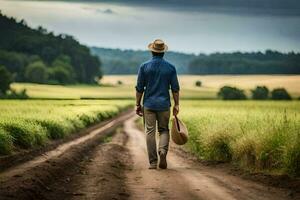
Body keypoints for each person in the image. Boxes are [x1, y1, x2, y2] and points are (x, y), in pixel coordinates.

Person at [135, 39, 180, 169]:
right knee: (164, 130)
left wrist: (138, 104)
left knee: (150, 132)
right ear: (163, 52)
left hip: (148, 104)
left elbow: (139, 88)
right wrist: (176, 104)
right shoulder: (171, 68)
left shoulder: (144, 67)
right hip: (164, 105)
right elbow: (175, 88)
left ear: (152, 52)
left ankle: (153, 162)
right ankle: (163, 151)